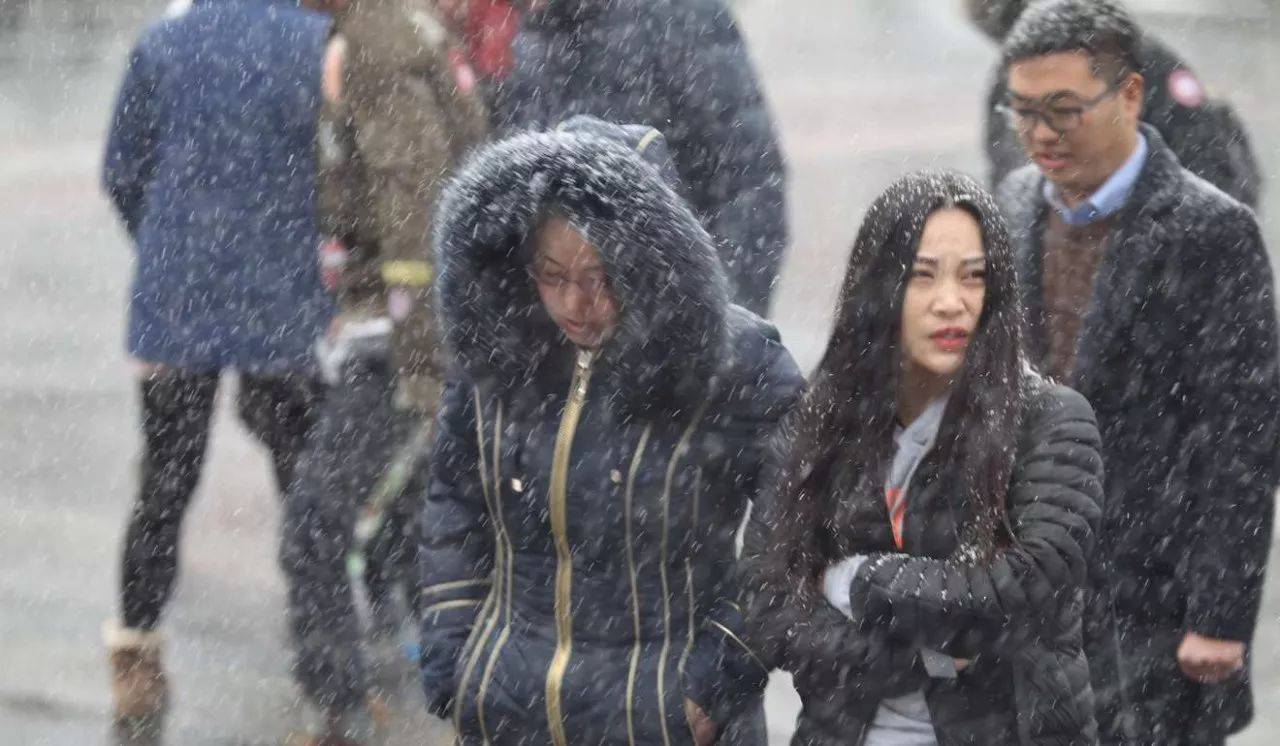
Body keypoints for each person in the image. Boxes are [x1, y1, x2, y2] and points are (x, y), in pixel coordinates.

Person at [417, 122, 803, 744]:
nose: (576, 303)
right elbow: (452, 503)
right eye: (552, 274)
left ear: (655, 263)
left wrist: (716, 681)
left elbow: (795, 530)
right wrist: (455, 654)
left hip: (666, 718)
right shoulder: (500, 352)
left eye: (603, 277)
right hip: (511, 713)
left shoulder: (739, 366)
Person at [744, 170, 1118, 744]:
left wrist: (859, 580)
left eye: (973, 278)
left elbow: (1020, 592)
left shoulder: (1050, 421)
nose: (952, 302)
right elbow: (769, 604)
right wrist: (918, 658)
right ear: (880, 289)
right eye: (923, 277)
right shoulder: (818, 424)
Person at [995, 1, 1280, 742]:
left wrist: (1220, 617)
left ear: (1129, 94)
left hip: (1157, 605)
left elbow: (1243, 438)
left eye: (1063, 110)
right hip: (1033, 602)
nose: (1041, 135)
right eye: (1021, 111)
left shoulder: (1209, 231)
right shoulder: (1016, 201)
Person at [100, 0, 331, 734]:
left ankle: (135, 654)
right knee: (305, 483)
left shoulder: (164, 44)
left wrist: (169, 238)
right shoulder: (317, 42)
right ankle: (324, 657)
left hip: (179, 296)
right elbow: (341, 170)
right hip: (285, 295)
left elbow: (121, 168)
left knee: (165, 486)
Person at [280, 0, 488, 742]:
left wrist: (420, 360)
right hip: (403, 328)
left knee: (314, 523)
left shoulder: (376, 41)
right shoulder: (390, 25)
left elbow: (415, 200)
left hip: (398, 340)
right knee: (408, 522)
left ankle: (338, 711)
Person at [492, 0, 789, 317]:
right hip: (572, 337)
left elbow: (750, 181)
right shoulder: (524, 33)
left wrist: (713, 328)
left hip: (666, 325)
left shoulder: (676, 14)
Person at [966, 0, 1263, 207]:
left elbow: (1207, 161)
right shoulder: (1007, 80)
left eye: (1066, 109)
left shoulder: (1138, 61)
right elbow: (1006, 182)